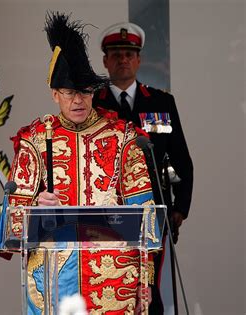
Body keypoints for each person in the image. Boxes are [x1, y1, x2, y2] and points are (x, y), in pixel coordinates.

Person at [0, 13, 159, 315]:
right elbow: (13, 228)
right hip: (54, 279)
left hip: (115, 279)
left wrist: (144, 280)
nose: (78, 100)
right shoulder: (34, 139)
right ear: (55, 94)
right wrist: (35, 208)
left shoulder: (122, 137)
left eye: (85, 91)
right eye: (70, 92)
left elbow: (145, 211)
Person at [93, 22, 194, 314]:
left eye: (129, 54)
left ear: (139, 60)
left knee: (147, 287)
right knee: (109, 284)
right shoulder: (92, 103)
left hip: (153, 209)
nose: (123, 59)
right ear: (105, 61)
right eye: (116, 54)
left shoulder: (162, 102)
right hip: (105, 212)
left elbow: (181, 159)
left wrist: (180, 208)